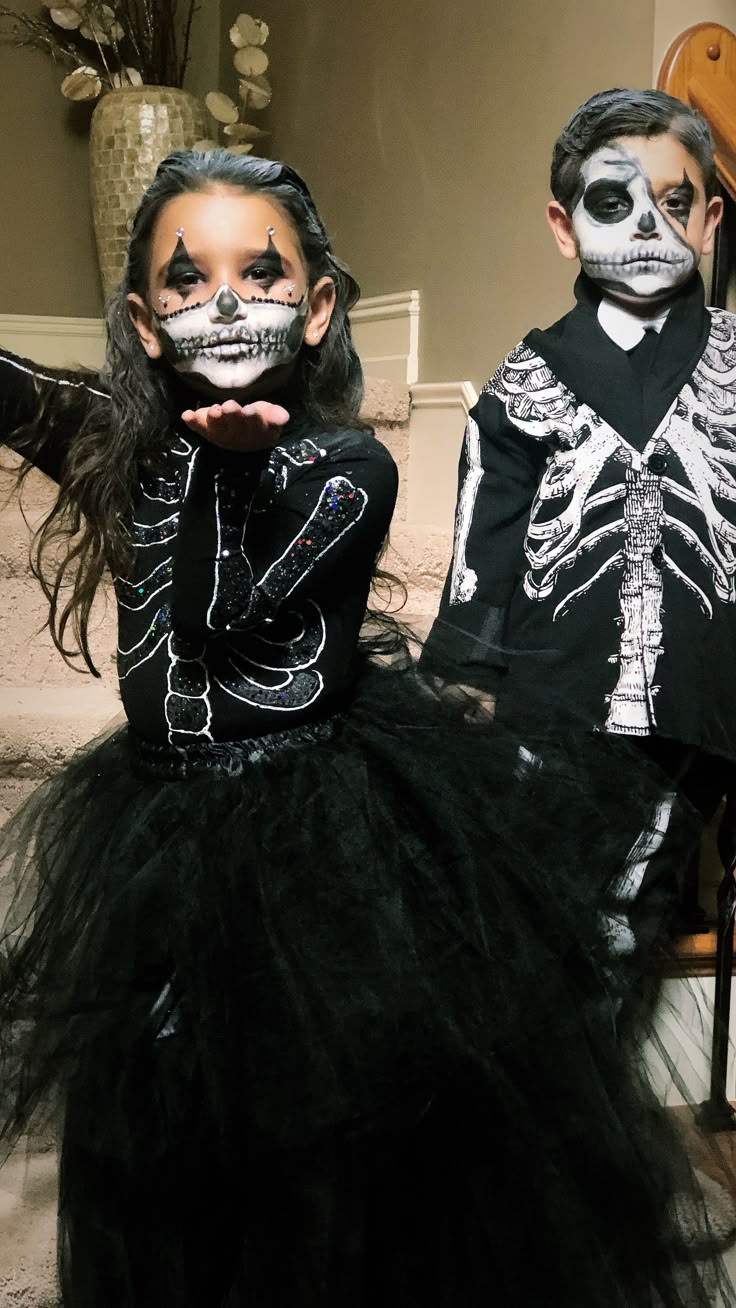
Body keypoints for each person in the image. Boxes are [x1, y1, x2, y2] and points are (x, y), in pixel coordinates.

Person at [0, 149, 730, 1308]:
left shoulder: (345, 465)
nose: (227, 303)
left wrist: (207, 469)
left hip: (312, 816)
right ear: (143, 322)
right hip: (162, 814)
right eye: (187, 284)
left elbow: (224, 608)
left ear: (320, 306)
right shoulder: (134, 453)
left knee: (320, 1127)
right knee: (160, 1113)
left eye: (262, 274)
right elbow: (25, 400)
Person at [422, 87, 736, 978]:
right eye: (612, 203)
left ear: (710, 220)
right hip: (552, 704)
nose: (646, 224)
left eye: (674, 203)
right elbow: (483, 547)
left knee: (637, 910)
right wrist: (467, 682)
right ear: (565, 228)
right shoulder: (527, 380)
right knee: (536, 913)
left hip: (700, 705)